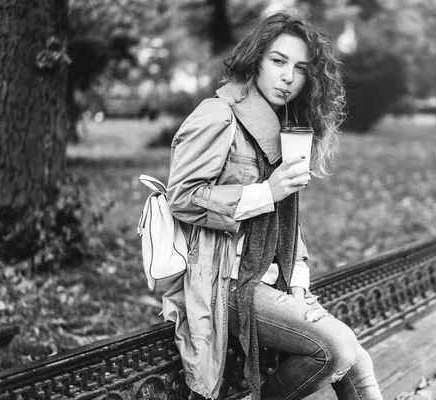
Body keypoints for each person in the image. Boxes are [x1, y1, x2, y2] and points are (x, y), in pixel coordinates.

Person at [162, 11, 383, 400]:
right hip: (224, 280)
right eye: (278, 61)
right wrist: (266, 191)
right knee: (337, 349)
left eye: (300, 68)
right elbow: (183, 196)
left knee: (358, 361)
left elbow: (286, 224)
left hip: (271, 276)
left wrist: (297, 281)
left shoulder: (282, 125)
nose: (288, 77)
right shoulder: (218, 115)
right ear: (256, 60)